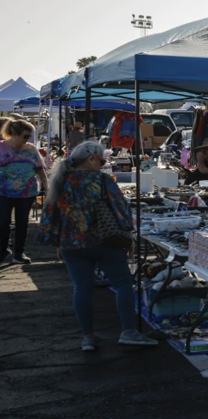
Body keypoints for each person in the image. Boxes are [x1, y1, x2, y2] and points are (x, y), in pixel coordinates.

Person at [37, 141, 158, 350]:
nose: (103, 164)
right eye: (101, 160)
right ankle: (129, 331)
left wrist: (57, 242)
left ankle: (89, 337)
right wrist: (129, 236)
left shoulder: (60, 181)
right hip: (105, 241)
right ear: (91, 158)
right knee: (123, 283)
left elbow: (50, 214)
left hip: (71, 243)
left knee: (82, 288)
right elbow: (121, 209)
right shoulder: (102, 180)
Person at [1, 119, 49, 264]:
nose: (28, 139)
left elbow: (40, 170)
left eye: (29, 136)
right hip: (3, 191)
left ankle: (19, 254)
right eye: (25, 136)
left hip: (26, 192)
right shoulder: (1, 148)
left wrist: (47, 187)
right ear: (14, 134)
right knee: (3, 221)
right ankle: (3, 250)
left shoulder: (31, 149)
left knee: (22, 222)